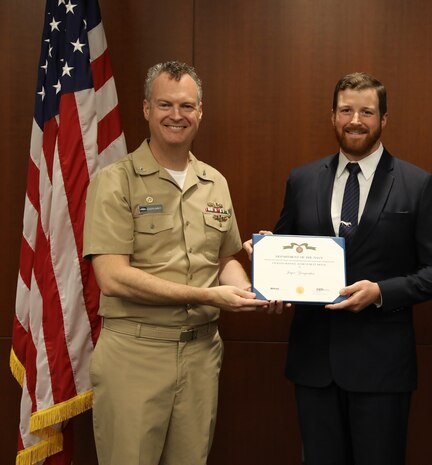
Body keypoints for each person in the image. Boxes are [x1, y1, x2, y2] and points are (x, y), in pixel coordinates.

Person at [245, 72, 432, 465]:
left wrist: (380, 293)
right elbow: (284, 245)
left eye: (366, 112)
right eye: (346, 110)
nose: (355, 120)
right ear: (332, 116)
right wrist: (267, 259)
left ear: (384, 119)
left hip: (382, 368)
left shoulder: (418, 184)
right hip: (314, 364)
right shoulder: (302, 180)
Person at [83, 61, 274, 465]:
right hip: (135, 354)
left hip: (201, 355)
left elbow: (224, 260)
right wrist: (209, 294)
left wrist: (256, 291)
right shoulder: (116, 181)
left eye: (186, 106)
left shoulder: (214, 181)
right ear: (146, 109)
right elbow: (112, 277)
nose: (176, 115)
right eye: (165, 104)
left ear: (200, 111)